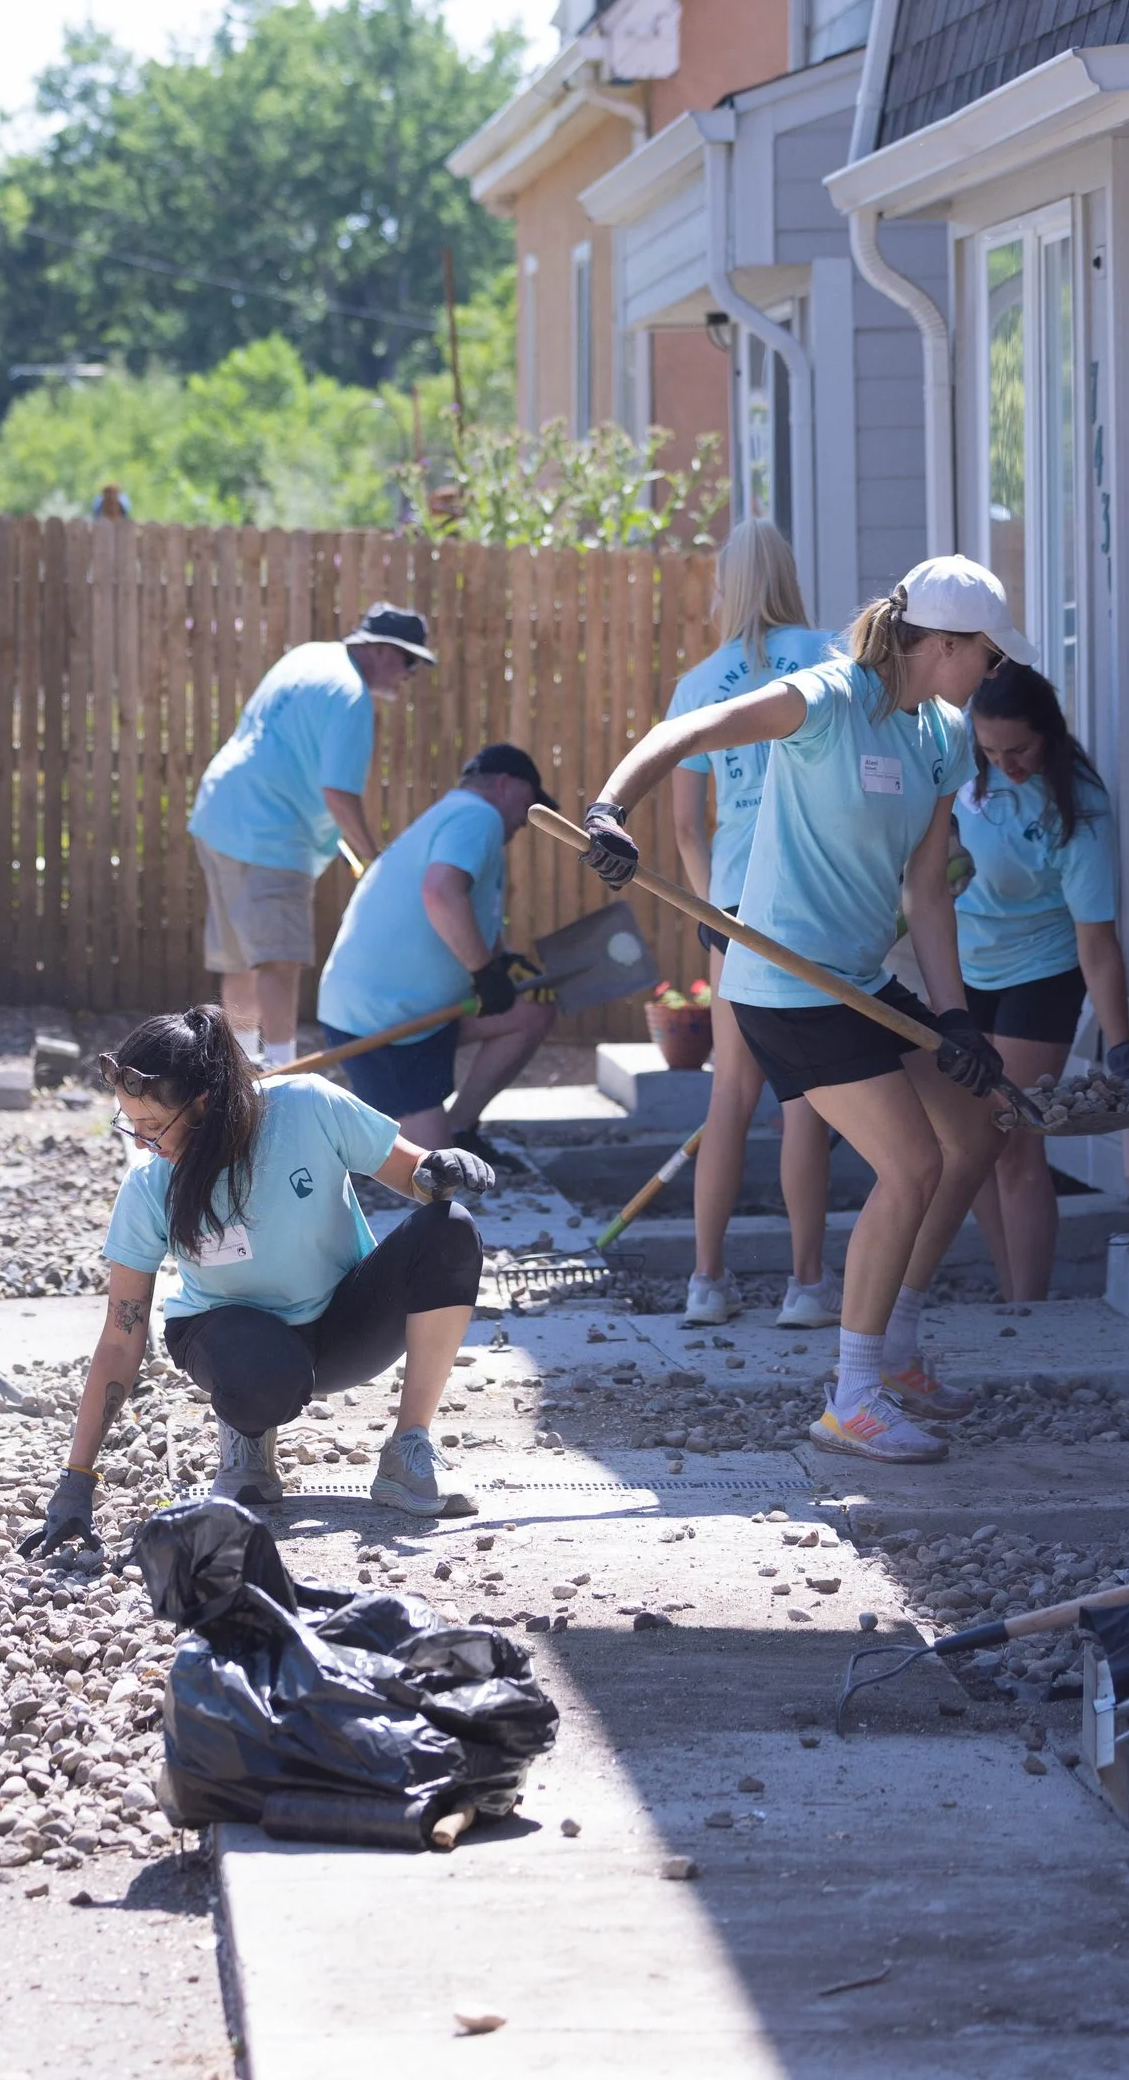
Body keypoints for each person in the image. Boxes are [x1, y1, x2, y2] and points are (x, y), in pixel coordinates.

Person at [578, 555, 1026, 1464]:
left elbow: (928, 890)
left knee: (976, 1134)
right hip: (785, 986)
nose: (993, 668)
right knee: (908, 1168)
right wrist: (608, 808)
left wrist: (955, 1018)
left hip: (857, 978)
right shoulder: (823, 699)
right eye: (985, 651)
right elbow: (694, 727)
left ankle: (893, 1349)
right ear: (940, 645)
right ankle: (852, 1399)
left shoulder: (942, 733)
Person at [19, 1007, 497, 1546]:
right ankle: (247, 1444)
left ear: (203, 1103)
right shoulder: (150, 1185)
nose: (141, 1144)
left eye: (153, 1127)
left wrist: (445, 1169)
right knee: (262, 1376)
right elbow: (120, 1338)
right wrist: (77, 1479)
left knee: (450, 1228)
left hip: (341, 1323)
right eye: (130, 1124)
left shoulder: (308, 1105)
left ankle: (408, 1448)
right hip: (228, 1338)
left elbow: (416, 1176)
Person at [954, 661, 1129, 1303]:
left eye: (1018, 749)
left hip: (1041, 970)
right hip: (968, 965)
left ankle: (1031, 1309)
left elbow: (1097, 943)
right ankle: (1011, 1296)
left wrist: (1123, 1049)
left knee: (1015, 1141)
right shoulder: (966, 769)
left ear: (1047, 733)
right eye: (991, 750)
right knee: (973, 1149)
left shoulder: (1077, 807)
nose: (1006, 764)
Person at [664, 521, 837, 1331]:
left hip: (733, 905)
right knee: (806, 1094)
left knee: (729, 1095)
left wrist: (710, 915)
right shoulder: (835, 659)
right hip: (819, 902)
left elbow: (686, 827)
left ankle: (707, 1280)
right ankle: (807, 1285)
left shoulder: (699, 684)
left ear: (726, 586)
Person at [187, 602, 436, 1066]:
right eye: (409, 661)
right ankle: (280, 1073)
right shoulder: (351, 696)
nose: (411, 674)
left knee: (241, 958)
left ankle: (239, 1069)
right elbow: (339, 794)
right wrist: (376, 862)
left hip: (221, 812)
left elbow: (288, 749)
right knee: (278, 960)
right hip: (269, 832)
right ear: (382, 651)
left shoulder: (308, 656)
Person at [312, 744, 558, 1152]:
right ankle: (378, 1148)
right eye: (530, 800)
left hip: (416, 1014)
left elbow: (464, 905)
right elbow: (441, 893)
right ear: (505, 784)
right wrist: (483, 973)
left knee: (530, 1012)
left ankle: (460, 1127)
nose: (528, 819)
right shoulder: (478, 815)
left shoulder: (456, 817)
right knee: (434, 1177)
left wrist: (500, 961)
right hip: (383, 1022)